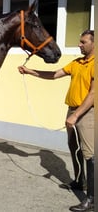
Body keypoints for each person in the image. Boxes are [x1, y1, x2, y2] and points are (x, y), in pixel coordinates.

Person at [17, 30, 94, 212]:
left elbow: (93, 94)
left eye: (83, 42)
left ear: (94, 44)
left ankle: (92, 199)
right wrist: (30, 71)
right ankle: (79, 181)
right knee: (74, 147)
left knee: (90, 155)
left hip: (88, 113)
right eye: (79, 41)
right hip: (73, 110)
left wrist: (76, 116)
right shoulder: (77, 63)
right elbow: (53, 75)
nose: (79, 45)